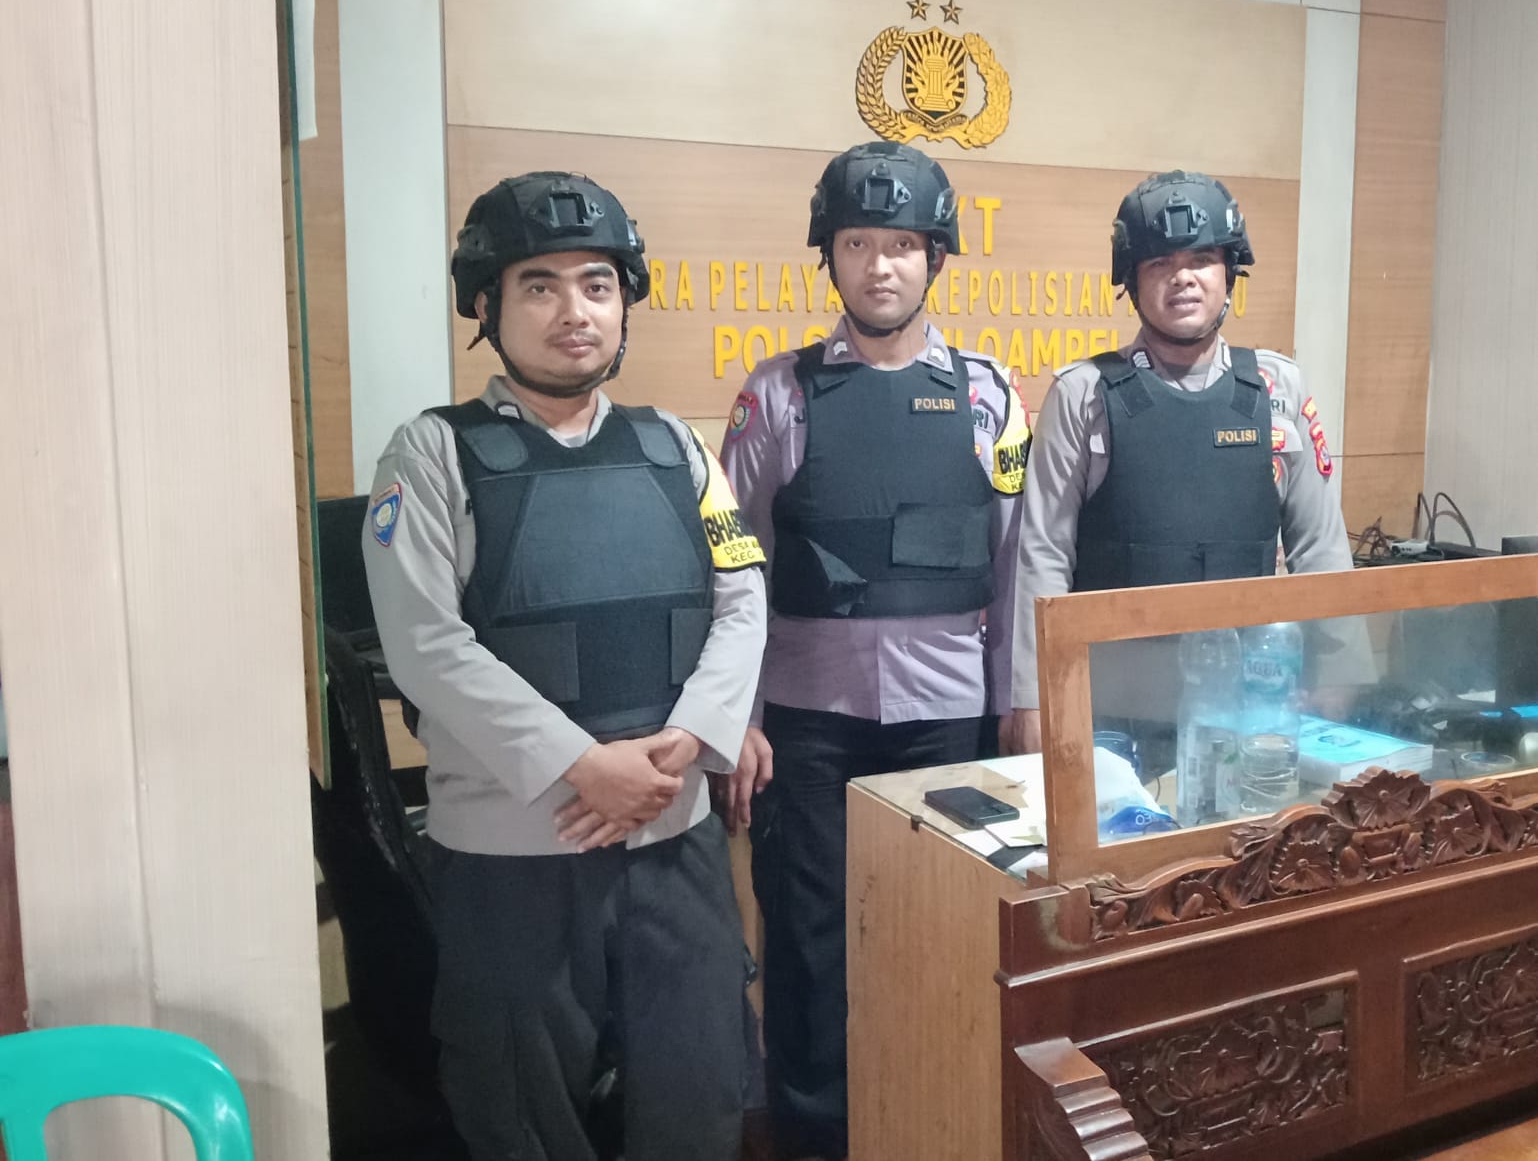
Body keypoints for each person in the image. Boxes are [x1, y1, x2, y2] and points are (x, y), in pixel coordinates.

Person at [362, 171, 767, 1161]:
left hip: (674, 839)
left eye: (596, 284)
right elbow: (425, 644)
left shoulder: (676, 445)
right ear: (487, 306)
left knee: (702, 1092)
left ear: (624, 302)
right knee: (521, 1114)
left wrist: (687, 740)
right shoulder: (429, 455)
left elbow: (741, 595)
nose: (573, 311)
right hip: (513, 857)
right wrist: (582, 765)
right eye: (537, 285)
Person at [719, 141, 1030, 1161]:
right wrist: (739, 718)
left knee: (945, 941)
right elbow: (734, 565)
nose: (880, 266)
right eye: (858, 244)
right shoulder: (776, 395)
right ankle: (817, 1142)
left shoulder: (990, 395)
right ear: (830, 256)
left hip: (949, 726)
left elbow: (1016, 560)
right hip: (809, 727)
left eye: (900, 245)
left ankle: (935, 1129)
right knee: (810, 949)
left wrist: (1016, 704)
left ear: (934, 257)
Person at [1010, 168, 1360, 750]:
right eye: (1159, 264)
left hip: (1251, 706)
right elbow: (1043, 557)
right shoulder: (1084, 395)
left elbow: (1320, 547)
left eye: (1201, 259)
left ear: (1229, 271)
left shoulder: (1277, 388)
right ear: (1131, 281)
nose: (1183, 279)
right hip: (1112, 710)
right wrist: (1033, 696)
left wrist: (1340, 670)